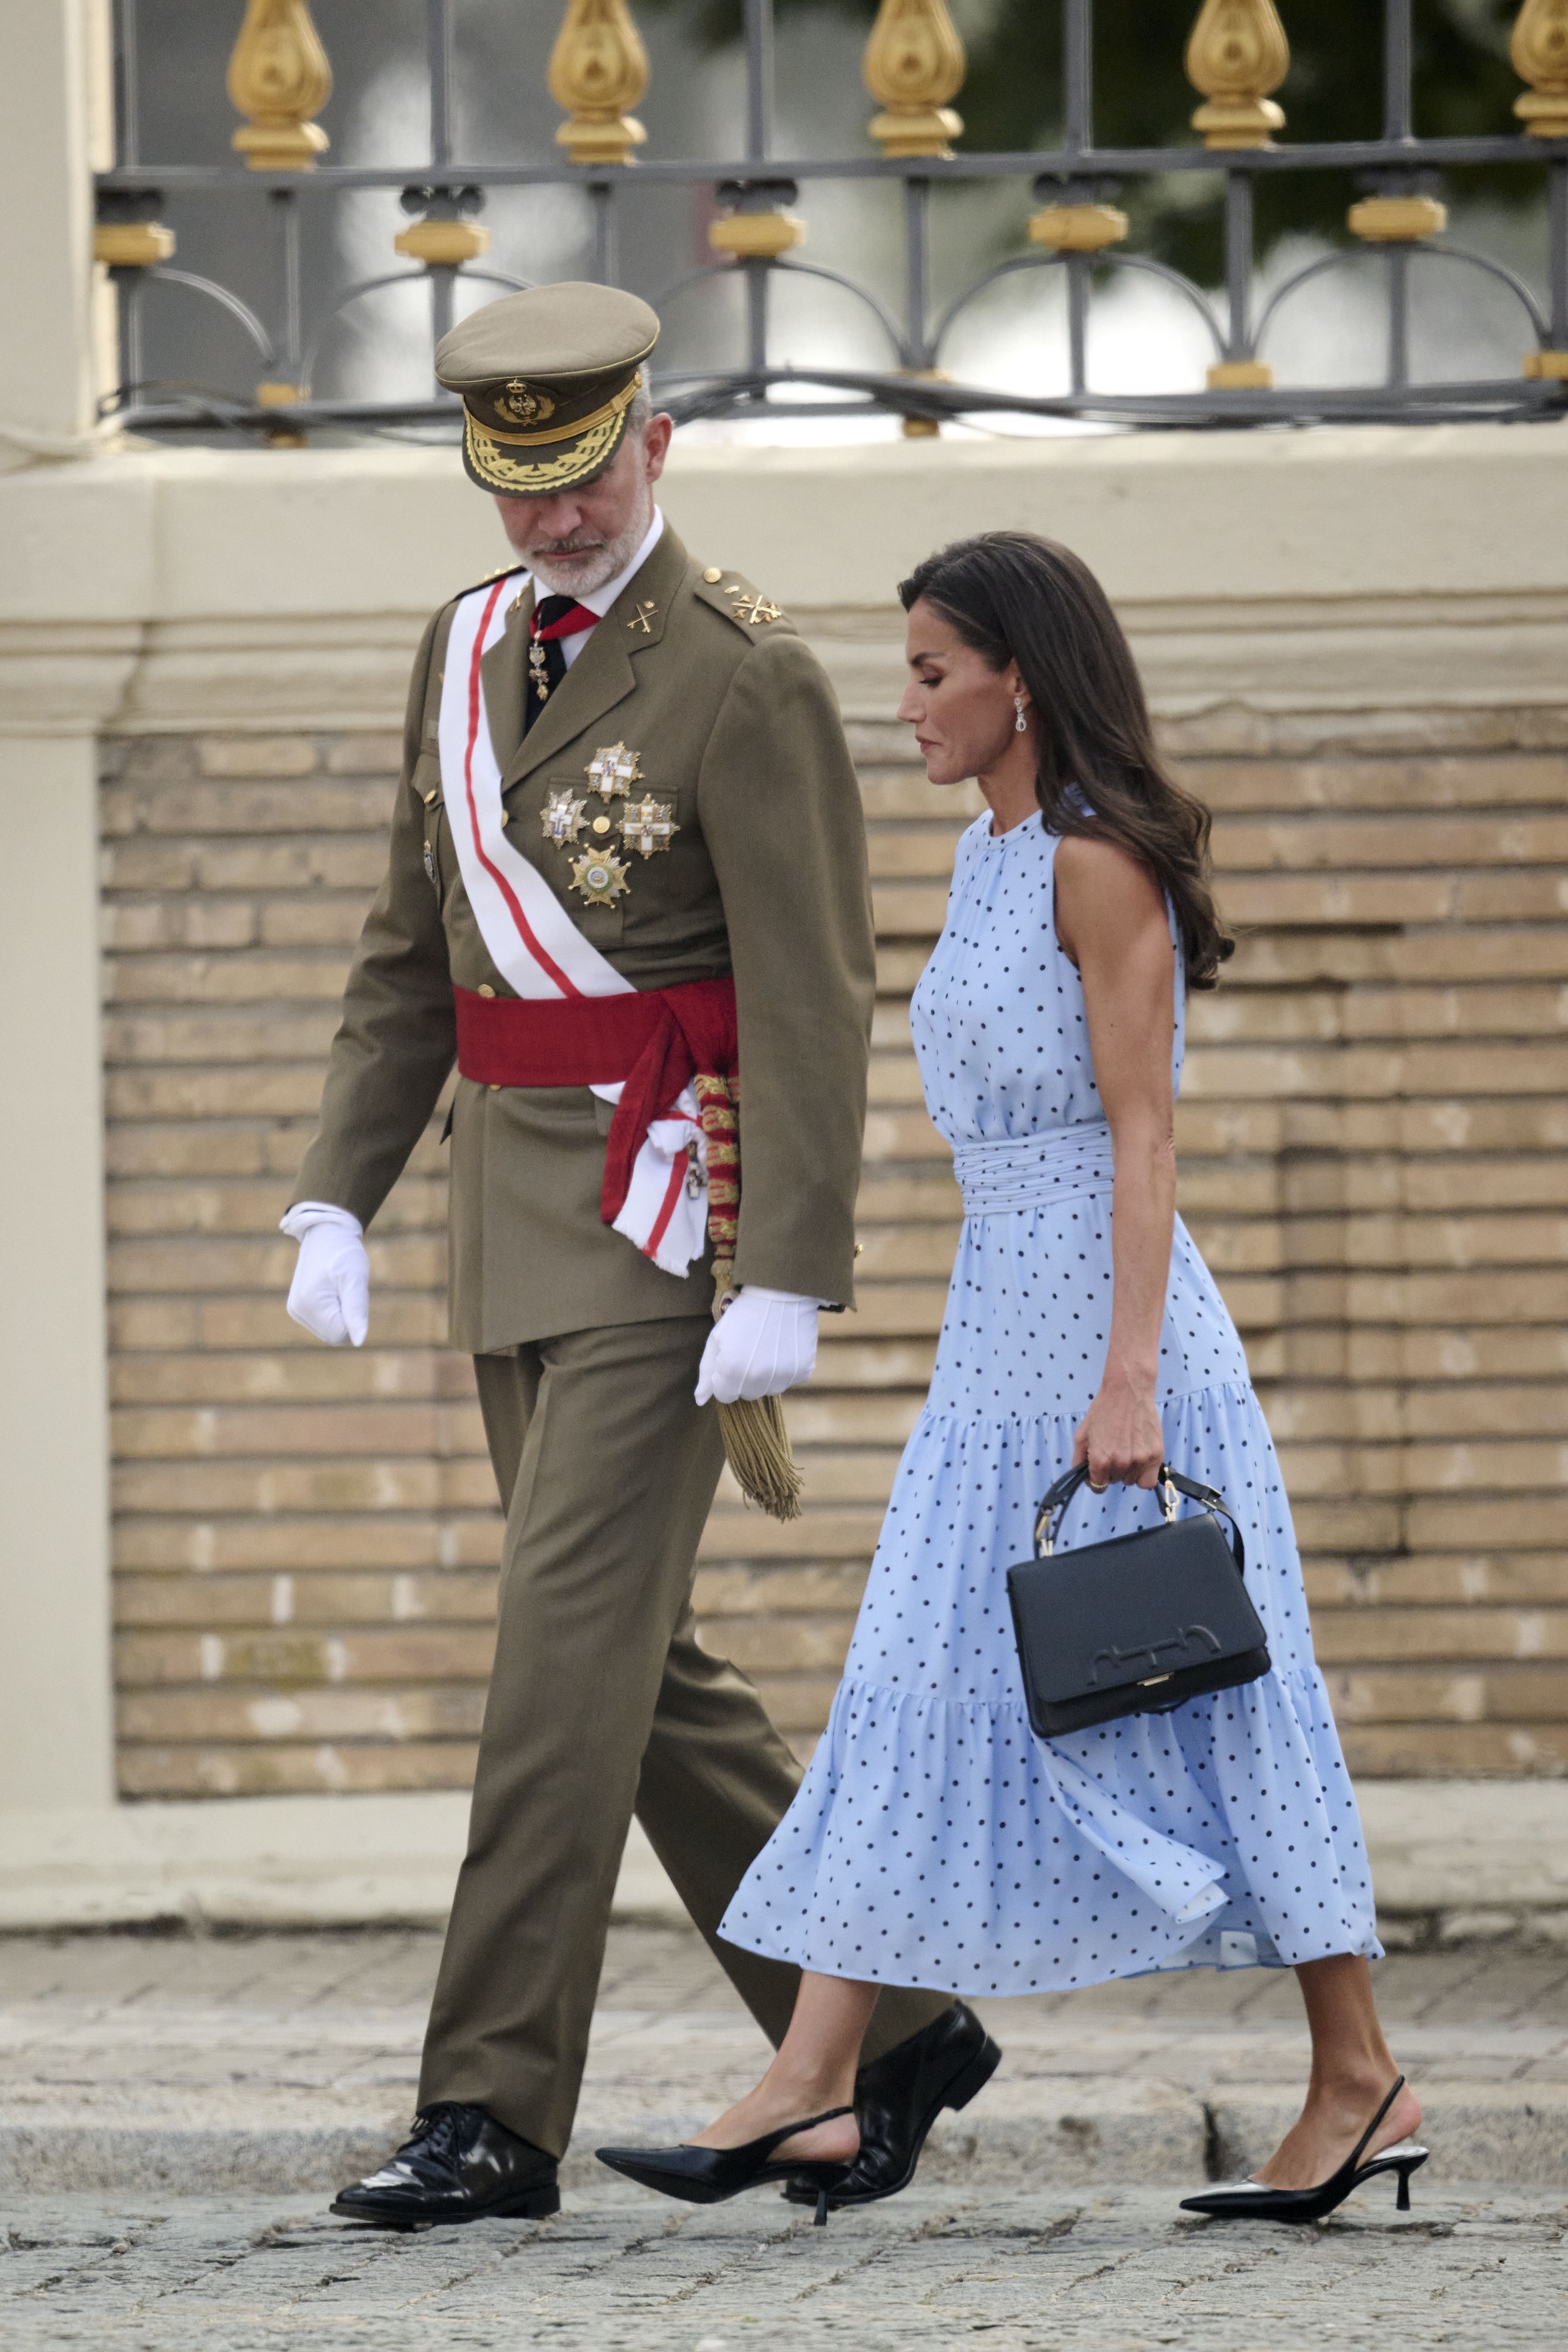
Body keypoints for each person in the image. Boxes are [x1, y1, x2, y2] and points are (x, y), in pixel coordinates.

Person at [597, 530, 1429, 2229]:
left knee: (1228, 1705)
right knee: (914, 1681)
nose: (901, 706)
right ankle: (818, 2083)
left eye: (927, 674)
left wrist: (1127, 1382)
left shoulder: (1091, 862)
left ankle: (1357, 2077)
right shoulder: (986, 855)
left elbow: (1146, 1134)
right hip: (998, 1329)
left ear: (1018, 680)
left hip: (1117, 1343)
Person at [283, 283, 995, 2230]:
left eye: (581, 478)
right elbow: (407, 947)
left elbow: (813, 986)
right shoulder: (459, 646)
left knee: (549, 1678)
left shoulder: (742, 672)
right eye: (514, 487)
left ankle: (488, 2113)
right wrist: (337, 1189)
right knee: (634, 1673)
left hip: (662, 1213)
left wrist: (787, 1266)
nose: (551, 522)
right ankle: (896, 2021)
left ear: (653, 444)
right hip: (502, 1229)